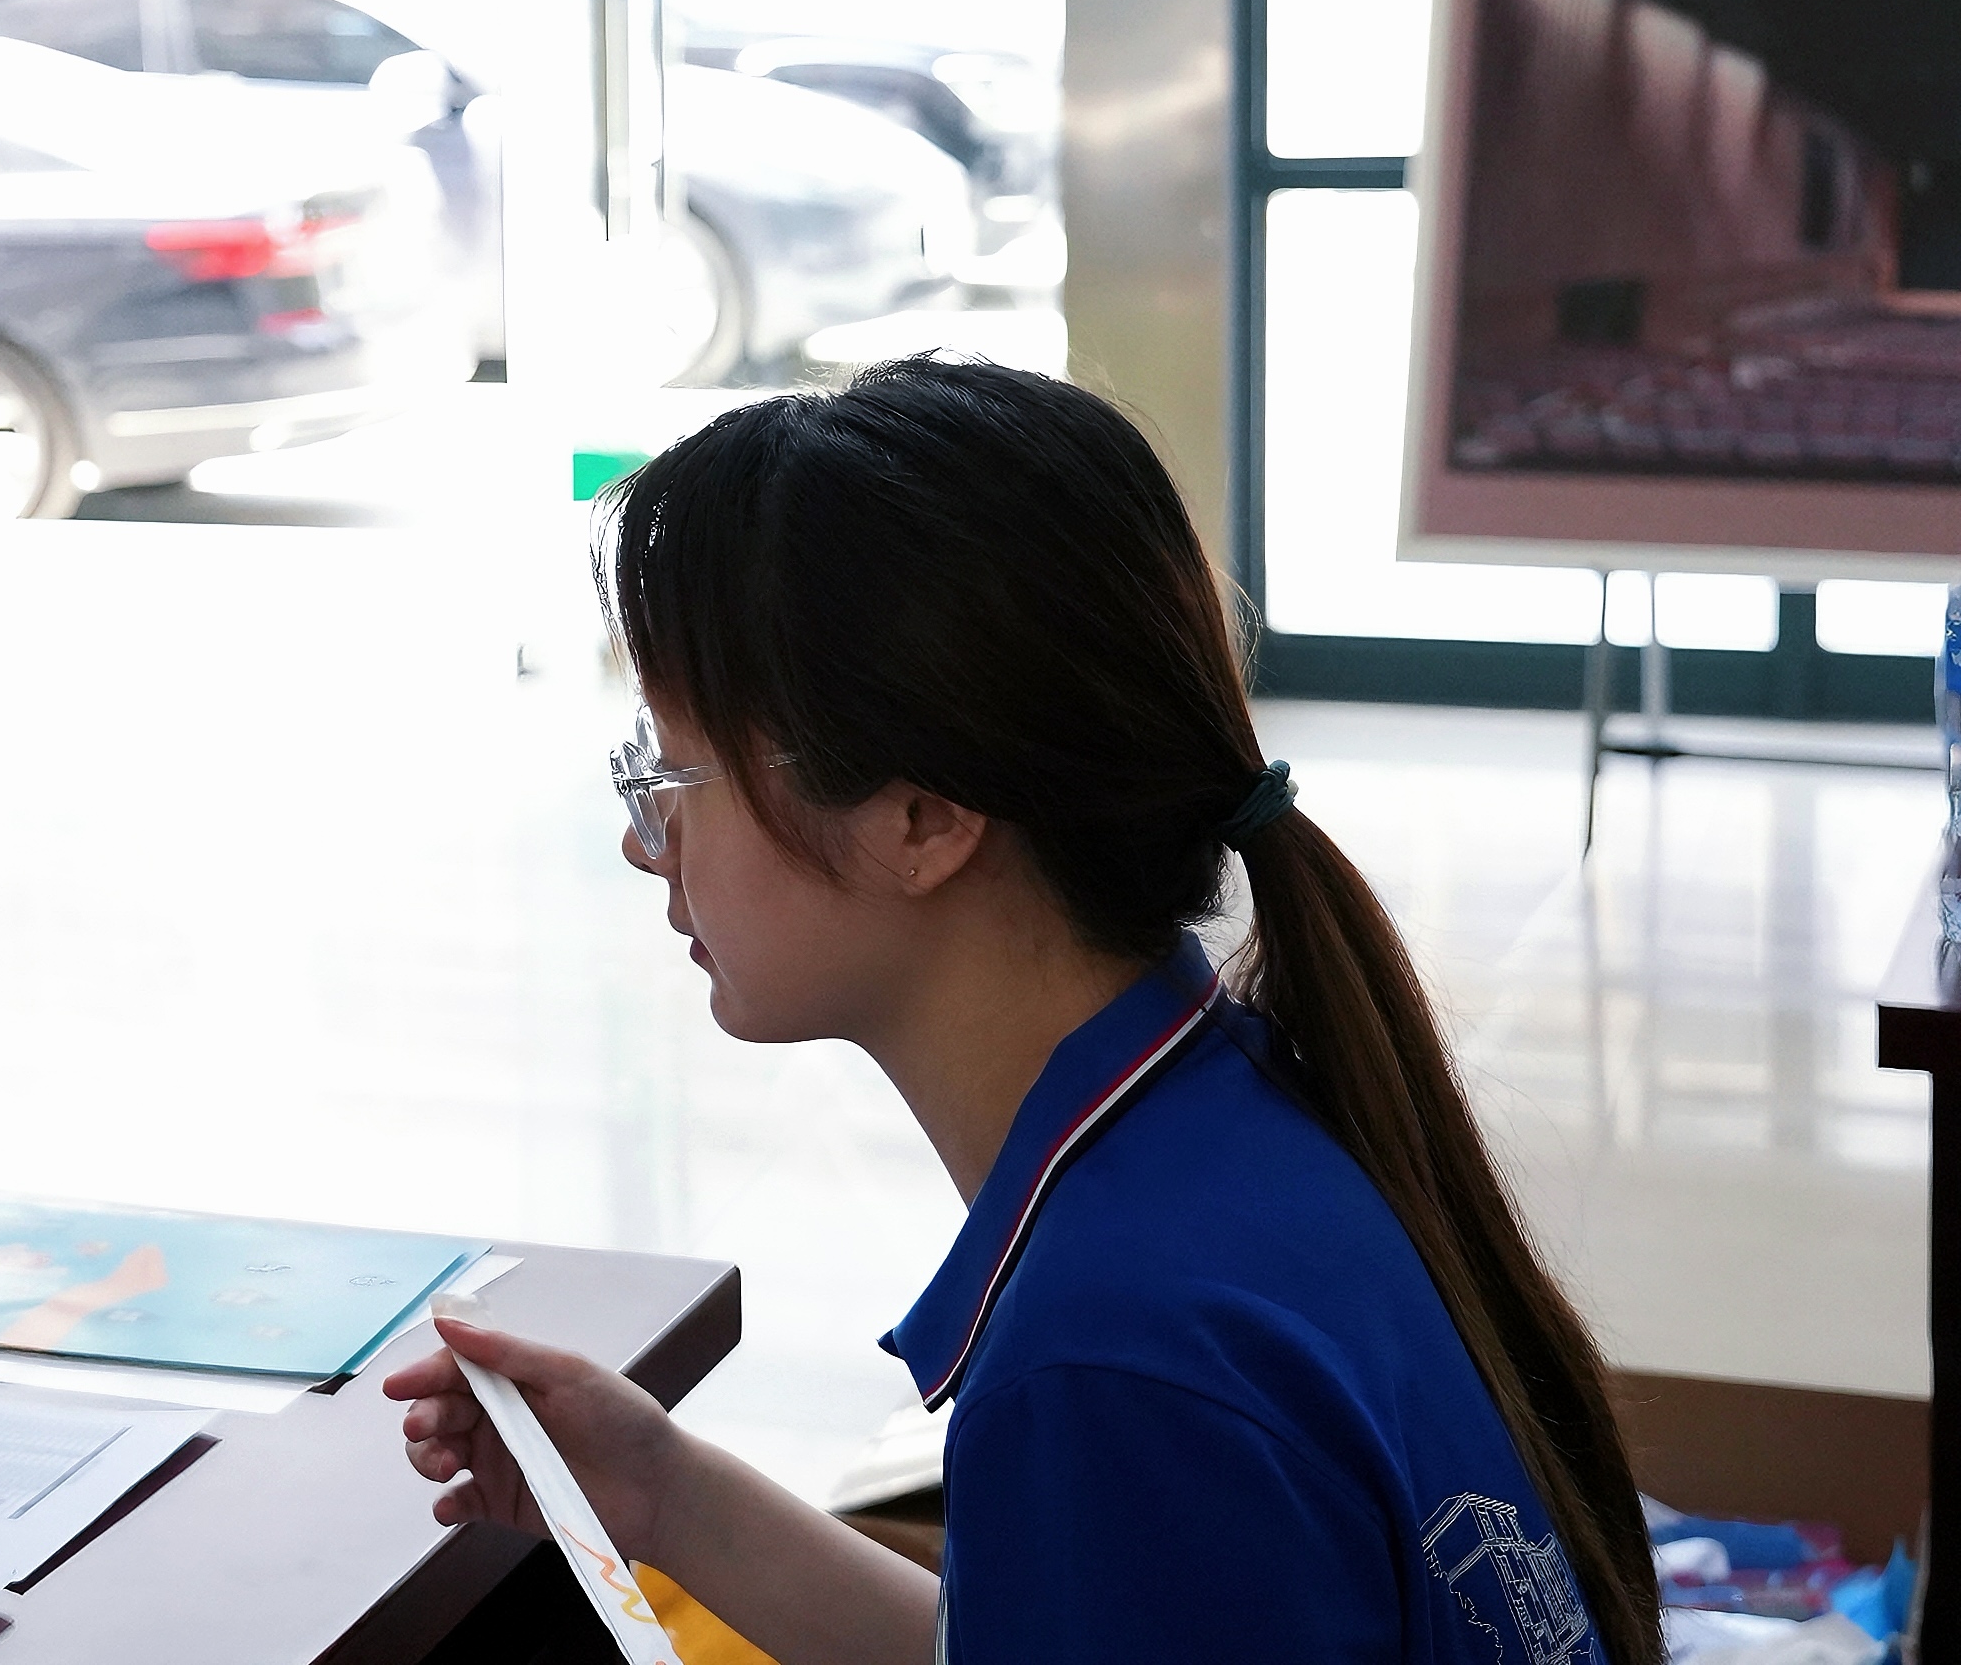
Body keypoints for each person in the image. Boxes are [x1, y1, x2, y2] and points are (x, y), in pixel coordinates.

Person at [391, 358, 1658, 1665]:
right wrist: (664, 1494)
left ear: (922, 817)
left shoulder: (1111, 1363)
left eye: (672, 777)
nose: (644, 843)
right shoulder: (1233, 1123)